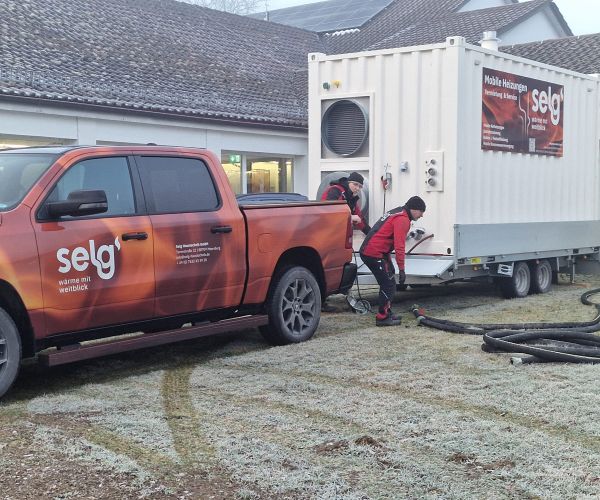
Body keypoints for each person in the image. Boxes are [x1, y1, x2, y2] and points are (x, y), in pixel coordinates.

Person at [359, 196, 426, 327]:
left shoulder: (398, 212)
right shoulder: (402, 219)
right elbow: (399, 246)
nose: (422, 215)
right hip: (373, 253)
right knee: (387, 284)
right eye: (421, 211)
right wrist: (402, 269)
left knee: (390, 279)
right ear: (414, 209)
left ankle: (387, 312)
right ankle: (382, 317)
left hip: (377, 251)